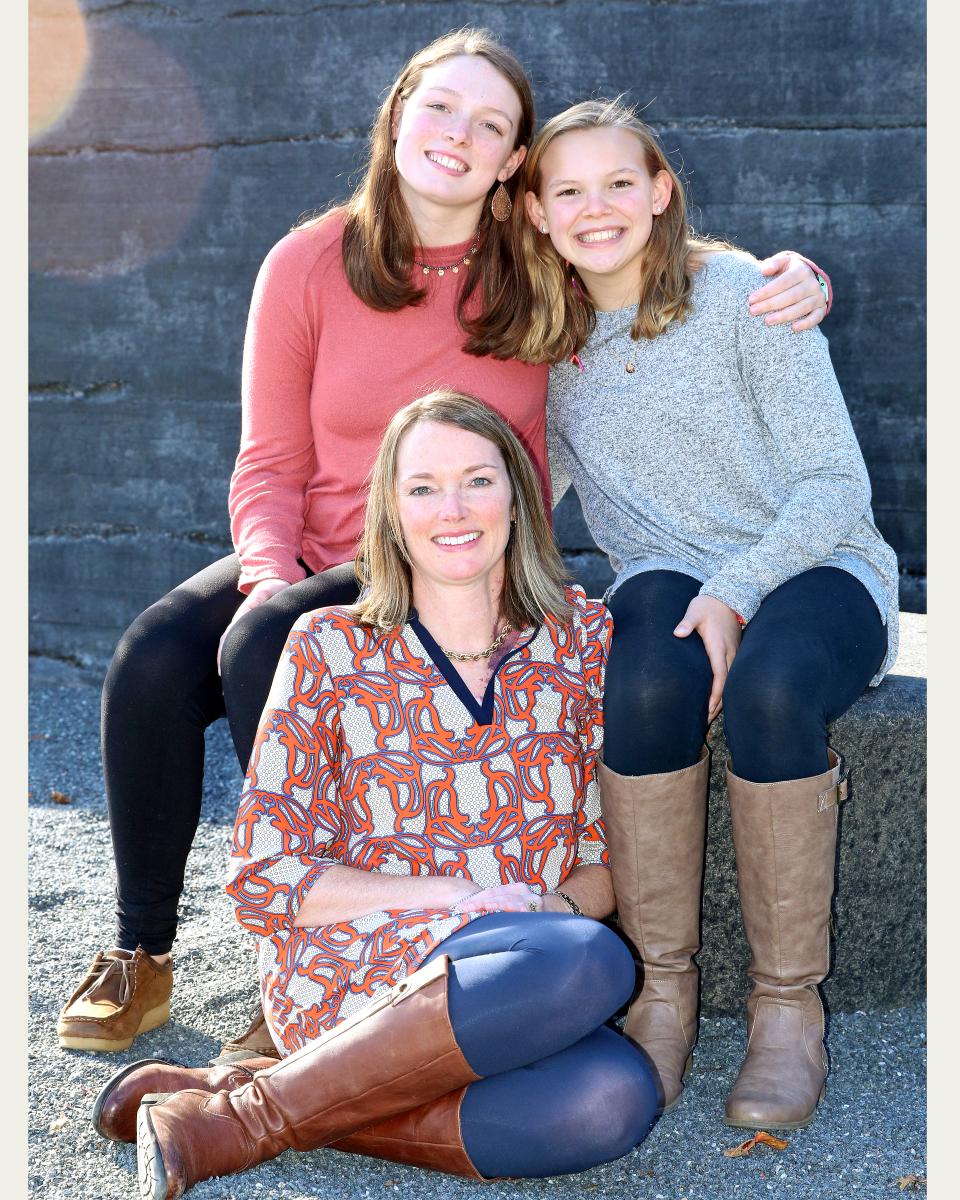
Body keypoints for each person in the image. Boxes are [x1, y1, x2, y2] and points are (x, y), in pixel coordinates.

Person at [57, 27, 831, 1055]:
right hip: (320, 550)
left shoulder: (535, 266)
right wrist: (266, 571)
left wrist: (785, 275)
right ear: (397, 116)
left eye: (490, 123)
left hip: (463, 560)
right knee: (155, 655)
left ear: (514, 161)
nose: (458, 135)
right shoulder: (307, 261)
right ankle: (140, 952)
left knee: (268, 646)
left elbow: (635, 250)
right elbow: (268, 462)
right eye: (439, 107)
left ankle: (307, 959)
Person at [91, 392, 660, 1196]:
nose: (453, 510)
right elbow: (264, 877)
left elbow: (603, 859)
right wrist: (455, 900)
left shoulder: (583, 643)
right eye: (423, 487)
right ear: (390, 511)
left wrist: (546, 910)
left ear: (519, 497)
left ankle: (244, 1101)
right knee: (590, 962)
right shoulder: (329, 646)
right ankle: (249, 1121)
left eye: (478, 481)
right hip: (355, 969)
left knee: (616, 1097)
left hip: (522, 971)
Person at [518, 99, 899, 1131]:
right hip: (663, 569)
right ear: (538, 213)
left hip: (816, 559)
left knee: (773, 687)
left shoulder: (744, 295)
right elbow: (526, 501)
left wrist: (738, 589)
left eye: (619, 183)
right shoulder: (545, 347)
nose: (597, 207)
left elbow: (835, 484)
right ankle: (661, 992)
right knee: (643, 679)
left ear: (660, 192)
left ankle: (787, 1009)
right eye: (569, 190)